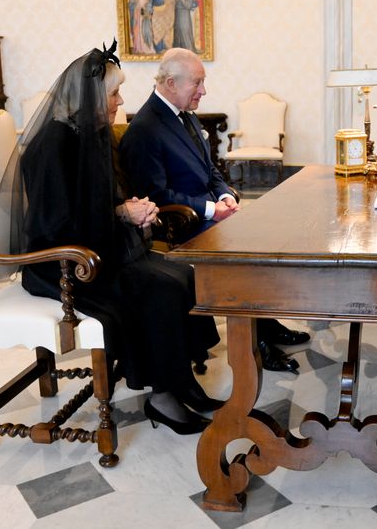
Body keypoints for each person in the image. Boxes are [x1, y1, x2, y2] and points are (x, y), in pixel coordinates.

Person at [0, 42, 222, 436]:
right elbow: (58, 224)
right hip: (63, 263)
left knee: (184, 275)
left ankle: (181, 381)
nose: (120, 102)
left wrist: (131, 208)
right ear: (88, 98)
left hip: (98, 247)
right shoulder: (52, 145)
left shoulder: (92, 133)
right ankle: (163, 398)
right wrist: (121, 213)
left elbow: (100, 201)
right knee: (161, 288)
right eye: (114, 94)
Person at [119, 47, 310, 372]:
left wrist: (226, 195)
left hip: (207, 213)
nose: (204, 91)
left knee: (265, 235)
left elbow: (211, 170)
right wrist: (211, 209)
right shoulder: (145, 129)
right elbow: (154, 195)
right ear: (170, 83)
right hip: (180, 224)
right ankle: (256, 344)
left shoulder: (186, 115)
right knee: (245, 250)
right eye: (197, 82)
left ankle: (267, 325)